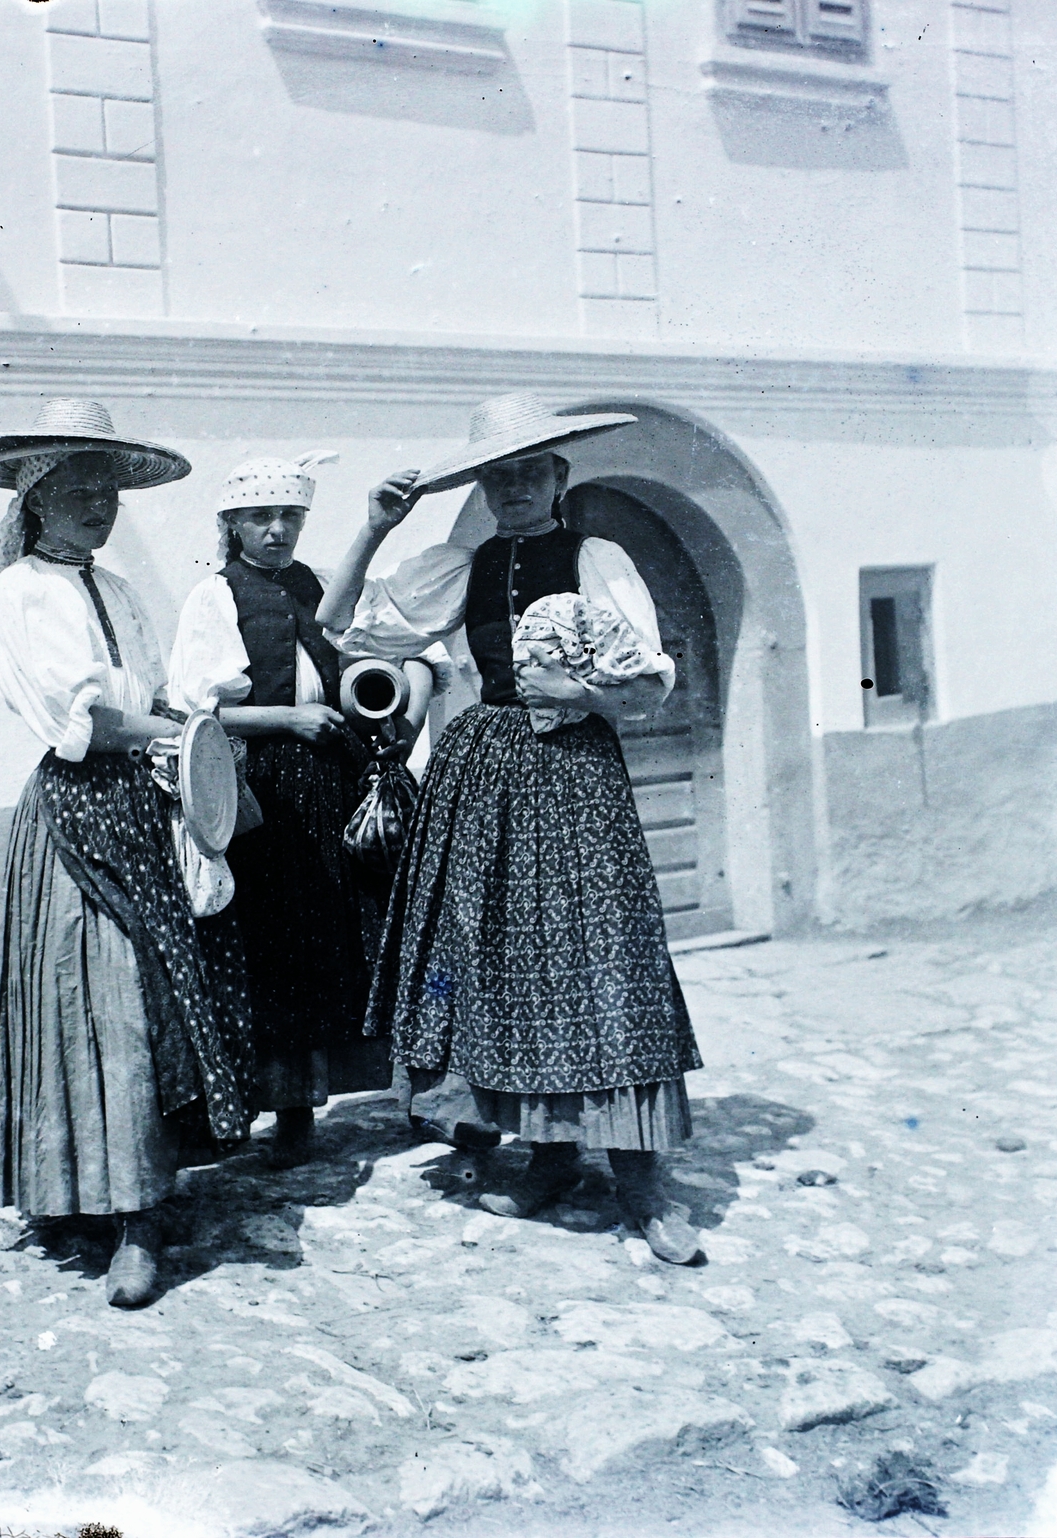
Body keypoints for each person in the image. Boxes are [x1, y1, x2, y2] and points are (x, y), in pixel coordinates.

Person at [316, 391, 706, 1265]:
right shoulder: (465, 564)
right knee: (507, 965)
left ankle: (643, 1178)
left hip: (576, 777)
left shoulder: (596, 554)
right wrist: (375, 527)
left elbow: (650, 685)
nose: (516, 488)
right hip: (486, 773)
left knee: (607, 959)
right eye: (500, 475)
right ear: (486, 487)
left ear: (560, 478)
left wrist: (582, 696)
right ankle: (551, 1155)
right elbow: (342, 626)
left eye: (531, 471)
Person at [0, 398, 255, 1308]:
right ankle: (98, 1204)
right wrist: (172, 735)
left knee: (154, 993)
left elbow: (154, 695)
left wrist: (191, 736)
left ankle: (140, 1204)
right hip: (77, 815)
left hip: (140, 804)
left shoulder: (117, 590)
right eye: (79, 490)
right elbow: (79, 719)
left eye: (109, 493)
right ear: (34, 500)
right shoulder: (20, 592)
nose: (99, 507)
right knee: (99, 999)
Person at [167, 454, 436, 1168]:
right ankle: (290, 1113)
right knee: (281, 944)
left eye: (289, 517)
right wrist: (288, 718)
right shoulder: (214, 597)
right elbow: (202, 708)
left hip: (336, 777)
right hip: (270, 790)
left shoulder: (315, 585)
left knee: (360, 931)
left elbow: (375, 647)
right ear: (232, 525)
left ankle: (397, 1086)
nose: (277, 531)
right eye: (261, 518)